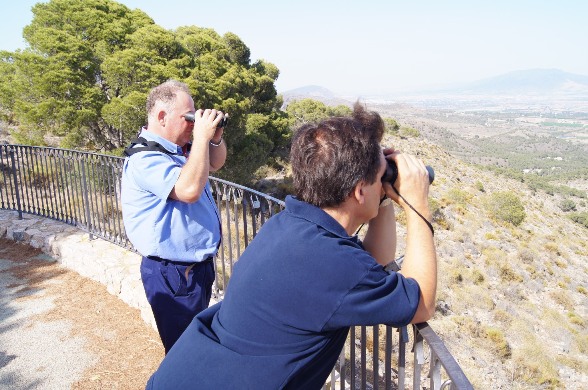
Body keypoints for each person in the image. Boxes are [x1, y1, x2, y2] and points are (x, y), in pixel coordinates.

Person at [146, 103, 437, 388]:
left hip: (185, 374)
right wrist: (417, 201)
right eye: (379, 179)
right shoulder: (335, 265)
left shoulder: (290, 226)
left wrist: (383, 193)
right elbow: (422, 302)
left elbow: (371, 261)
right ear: (360, 190)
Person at [121, 80, 227, 353]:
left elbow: (216, 162)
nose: (194, 124)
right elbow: (189, 190)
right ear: (161, 117)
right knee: (185, 352)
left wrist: (214, 137)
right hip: (173, 275)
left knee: (195, 345)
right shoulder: (146, 158)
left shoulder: (179, 148)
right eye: (188, 118)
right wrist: (202, 137)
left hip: (194, 269)